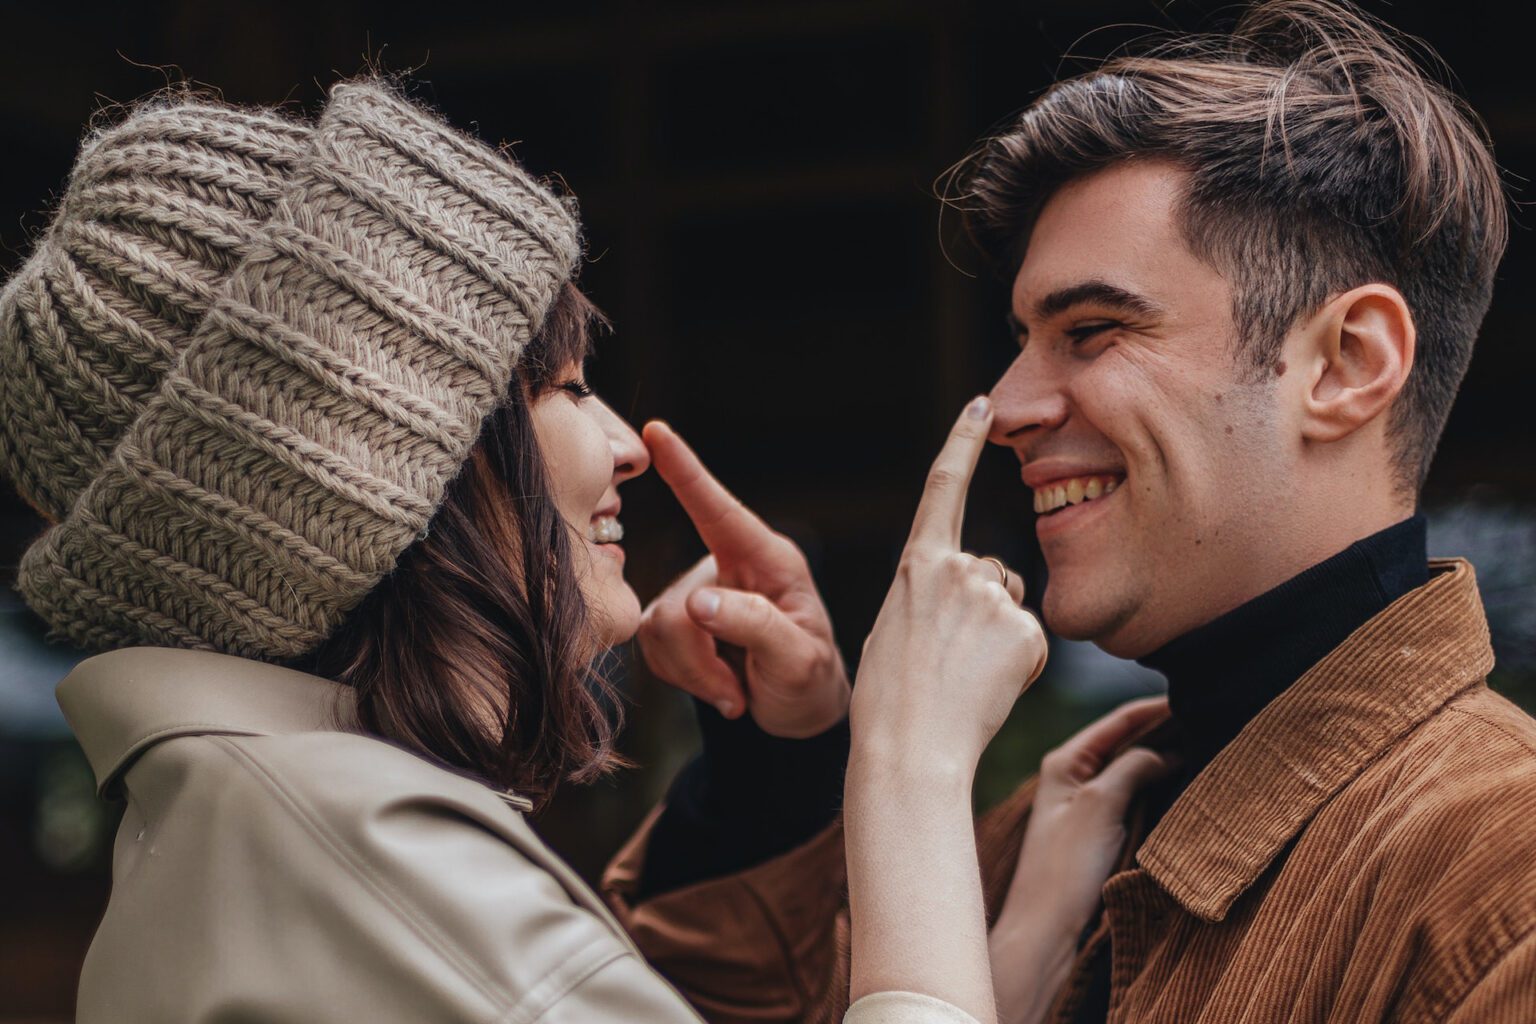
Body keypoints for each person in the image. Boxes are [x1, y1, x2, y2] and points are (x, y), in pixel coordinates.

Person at [0, 80, 1157, 1022]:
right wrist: (909, 761)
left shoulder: (256, 829)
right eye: (564, 385)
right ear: (374, 466)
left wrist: (994, 920)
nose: (624, 445)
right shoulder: (367, 856)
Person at [604, 2, 1536, 1022]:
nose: (1004, 407)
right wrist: (779, 768)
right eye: (1022, 337)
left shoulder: (1504, 878)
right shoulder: (1058, 830)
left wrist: (906, 761)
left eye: (1091, 330)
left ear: (1347, 364)